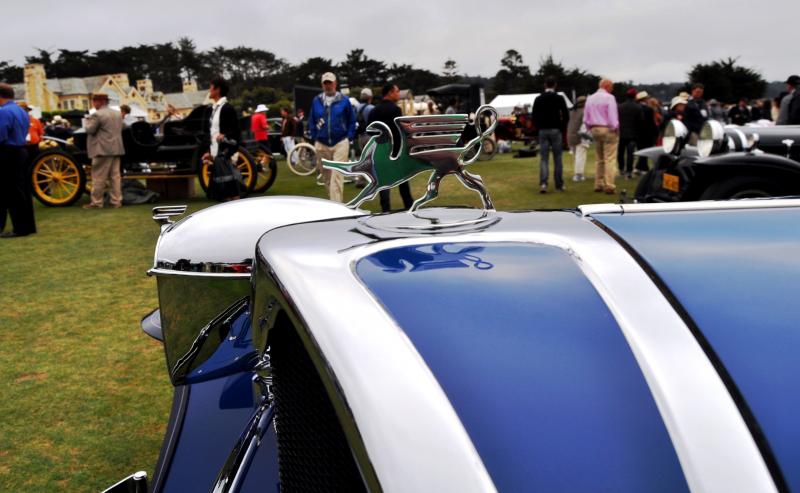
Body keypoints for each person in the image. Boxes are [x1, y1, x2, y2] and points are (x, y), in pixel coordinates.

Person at [309, 72, 355, 203]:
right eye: (325, 83)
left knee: (337, 176)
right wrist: (315, 136)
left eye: (330, 83)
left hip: (340, 142)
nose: (328, 86)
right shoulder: (316, 100)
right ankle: (334, 203)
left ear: (335, 84)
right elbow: (311, 120)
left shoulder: (344, 100)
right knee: (327, 177)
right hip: (321, 143)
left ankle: (337, 207)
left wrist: (349, 136)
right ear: (322, 85)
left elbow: (352, 119)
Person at [368, 82, 414, 212]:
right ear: (390, 93)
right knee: (403, 179)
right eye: (397, 91)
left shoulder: (374, 110)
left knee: (383, 181)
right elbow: (400, 131)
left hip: (380, 150)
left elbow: (370, 131)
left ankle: (385, 209)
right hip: (396, 149)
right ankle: (409, 205)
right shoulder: (395, 109)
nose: (398, 94)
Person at [0, 83, 35, 237]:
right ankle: (27, 226)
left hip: (7, 152)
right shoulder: (21, 111)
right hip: (21, 150)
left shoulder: (4, 111)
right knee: (22, 190)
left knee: (11, 192)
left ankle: (20, 228)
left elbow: (1, 134)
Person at [201, 77, 241, 202]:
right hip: (217, 155)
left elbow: (235, 131)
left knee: (230, 192)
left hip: (224, 154)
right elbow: (213, 133)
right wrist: (209, 151)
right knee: (225, 193)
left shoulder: (227, 108)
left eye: (211, 87)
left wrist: (225, 136)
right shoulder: (214, 109)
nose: (209, 90)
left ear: (217, 90)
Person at [82, 93, 125, 209]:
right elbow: (122, 127)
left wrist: (86, 121)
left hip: (102, 150)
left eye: (94, 101)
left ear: (100, 102)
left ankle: (96, 202)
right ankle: (116, 201)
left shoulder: (97, 115)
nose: (93, 104)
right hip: (116, 148)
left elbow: (90, 130)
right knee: (115, 177)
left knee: (98, 177)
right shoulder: (117, 114)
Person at [583, 78, 619, 195]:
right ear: (607, 86)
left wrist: (589, 128)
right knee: (610, 158)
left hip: (595, 128)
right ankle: (609, 185)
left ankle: (598, 184)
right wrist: (615, 128)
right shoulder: (610, 98)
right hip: (607, 129)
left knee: (599, 159)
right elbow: (612, 116)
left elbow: (586, 118)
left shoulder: (590, 98)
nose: (612, 89)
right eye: (612, 87)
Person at [617, 88, 643, 179]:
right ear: (635, 96)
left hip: (621, 133)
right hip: (633, 134)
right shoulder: (638, 107)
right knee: (630, 154)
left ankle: (621, 169)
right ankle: (629, 171)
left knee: (620, 152)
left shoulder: (620, 107)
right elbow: (640, 122)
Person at [566, 95, 590, 182]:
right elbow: (584, 127)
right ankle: (578, 175)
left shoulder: (572, 111)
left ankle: (578, 173)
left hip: (570, 136)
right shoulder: (584, 112)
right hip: (579, 136)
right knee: (581, 156)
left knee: (576, 156)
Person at [635, 91, 658, 174]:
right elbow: (651, 123)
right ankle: (642, 168)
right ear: (645, 99)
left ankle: (640, 167)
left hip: (637, 132)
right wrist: (656, 131)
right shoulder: (649, 109)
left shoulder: (636, 108)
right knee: (646, 150)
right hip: (647, 133)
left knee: (640, 149)